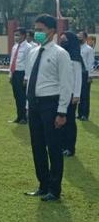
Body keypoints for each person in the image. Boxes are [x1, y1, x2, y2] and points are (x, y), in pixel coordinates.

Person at [24, 14, 73, 202]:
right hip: (35, 104)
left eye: (40, 30)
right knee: (37, 146)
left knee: (53, 147)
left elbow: (66, 85)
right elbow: (29, 82)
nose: (36, 33)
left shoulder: (60, 53)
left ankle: (54, 189)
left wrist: (62, 112)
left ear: (52, 31)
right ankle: (43, 185)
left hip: (51, 105)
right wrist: (28, 106)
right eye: (35, 29)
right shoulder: (33, 53)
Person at [59, 32, 82, 157]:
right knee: (60, 120)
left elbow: (78, 78)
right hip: (60, 93)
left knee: (70, 122)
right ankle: (62, 145)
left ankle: (70, 147)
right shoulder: (61, 55)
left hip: (71, 95)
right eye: (61, 40)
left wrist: (77, 95)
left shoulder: (75, 58)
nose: (62, 42)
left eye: (65, 40)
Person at [9, 28, 32, 124]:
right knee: (17, 96)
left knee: (22, 97)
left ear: (23, 35)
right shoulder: (15, 46)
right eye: (15, 35)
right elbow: (12, 61)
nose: (16, 37)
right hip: (15, 73)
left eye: (17, 35)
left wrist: (26, 77)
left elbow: (28, 63)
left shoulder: (28, 47)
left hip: (22, 74)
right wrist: (10, 74)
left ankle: (24, 117)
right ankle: (19, 116)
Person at [78, 31, 94, 121]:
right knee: (79, 94)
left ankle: (85, 114)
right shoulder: (77, 48)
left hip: (85, 74)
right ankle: (80, 113)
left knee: (85, 95)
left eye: (80, 36)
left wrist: (90, 76)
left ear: (84, 37)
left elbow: (90, 63)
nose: (79, 38)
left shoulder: (89, 49)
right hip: (78, 73)